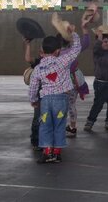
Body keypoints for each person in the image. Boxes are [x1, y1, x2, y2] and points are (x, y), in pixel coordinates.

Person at [29, 30, 81, 164]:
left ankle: (47, 153)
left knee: (45, 126)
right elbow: (76, 48)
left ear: (42, 50)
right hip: (61, 101)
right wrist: (73, 33)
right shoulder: (62, 61)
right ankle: (57, 153)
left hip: (45, 102)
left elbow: (33, 87)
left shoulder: (38, 69)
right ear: (57, 51)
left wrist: (34, 101)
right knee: (59, 125)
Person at [84, 26, 108, 132]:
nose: (107, 43)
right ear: (100, 43)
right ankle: (89, 123)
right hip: (101, 83)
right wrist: (100, 36)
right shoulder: (98, 53)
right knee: (98, 104)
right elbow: (96, 46)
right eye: (105, 42)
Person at [61, 14, 92, 137]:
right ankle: (73, 127)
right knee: (71, 104)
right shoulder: (73, 50)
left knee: (60, 105)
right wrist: (83, 29)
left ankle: (60, 127)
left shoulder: (57, 52)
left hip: (62, 82)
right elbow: (85, 43)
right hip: (73, 81)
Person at [23, 38, 42, 151]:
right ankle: (35, 139)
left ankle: (49, 141)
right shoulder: (38, 62)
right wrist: (28, 45)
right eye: (41, 51)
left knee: (50, 119)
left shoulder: (56, 62)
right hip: (40, 96)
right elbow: (28, 59)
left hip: (51, 96)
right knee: (37, 118)